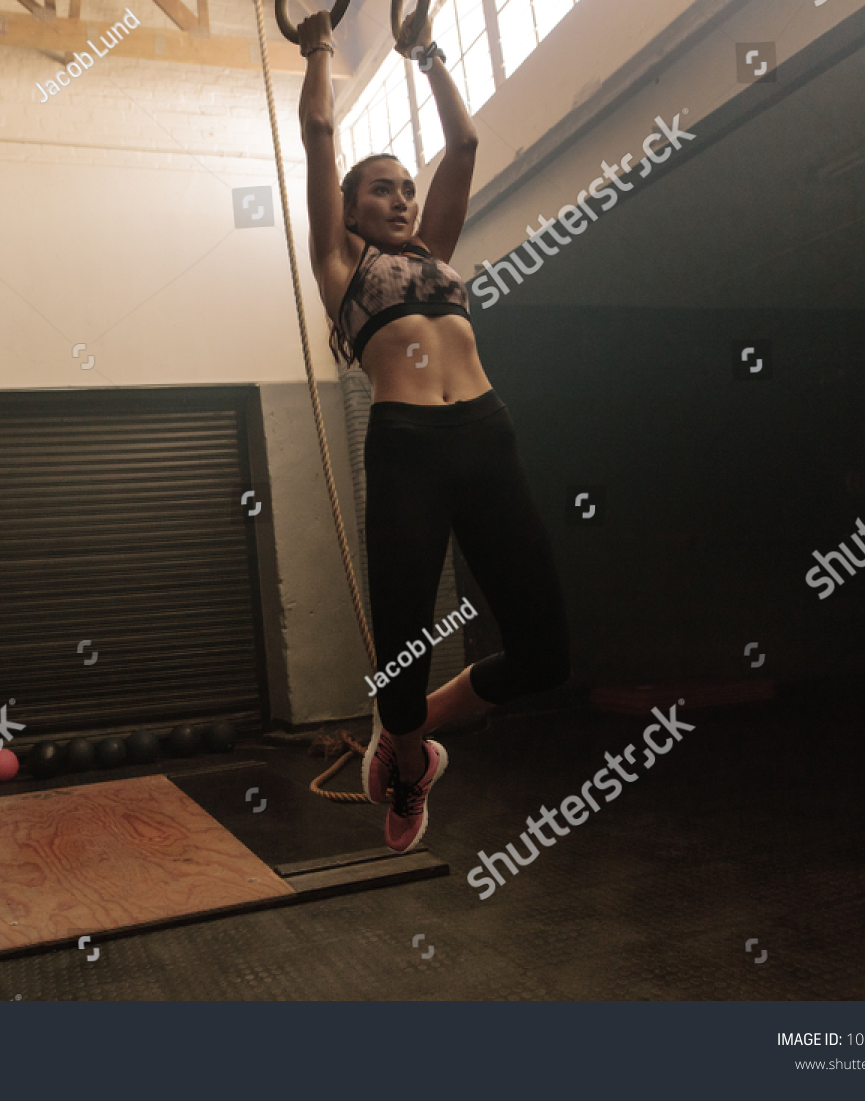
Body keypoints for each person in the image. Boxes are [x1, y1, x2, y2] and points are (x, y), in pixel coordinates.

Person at [295, 8, 571, 852]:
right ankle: (409, 749)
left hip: (488, 437)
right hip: (408, 448)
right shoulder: (345, 267)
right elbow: (316, 136)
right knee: (402, 666)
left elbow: (466, 147)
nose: (403, 198)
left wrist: (430, 55)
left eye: (406, 189)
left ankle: (403, 736)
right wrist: (317, 49)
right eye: (383, 188)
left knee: (544, 657)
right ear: (349, 211)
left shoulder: (436, 253)